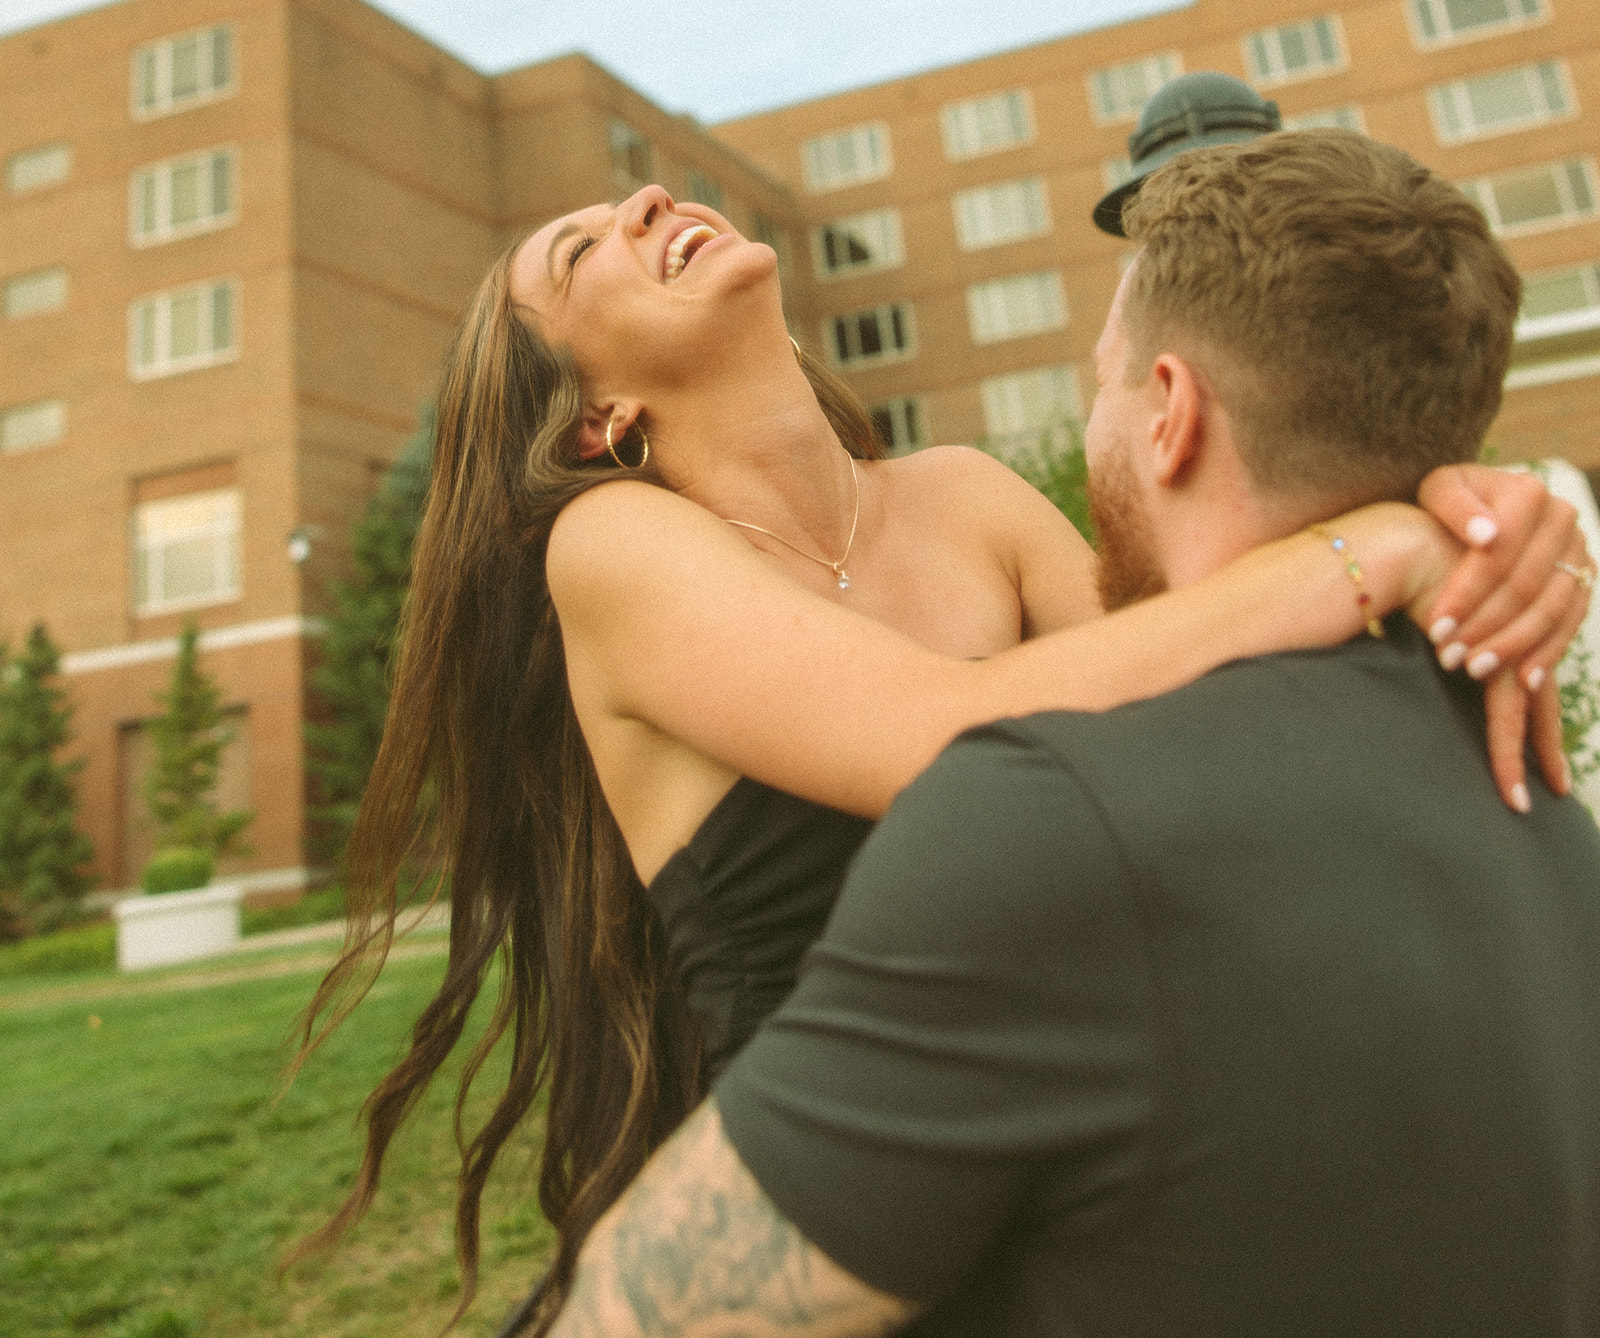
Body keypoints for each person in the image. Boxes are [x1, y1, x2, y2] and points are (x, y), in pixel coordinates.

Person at [291, 160, 1588, 1331]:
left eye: (626, 202)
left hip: (1069, 1134)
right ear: (597, 417)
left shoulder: (965, 491)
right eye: (579, 256)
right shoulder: (614, 546)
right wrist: (1376, 548)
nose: (639, 204)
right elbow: (944, 738)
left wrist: (1450, 501)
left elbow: (1195, 690)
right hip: (819, 1199)